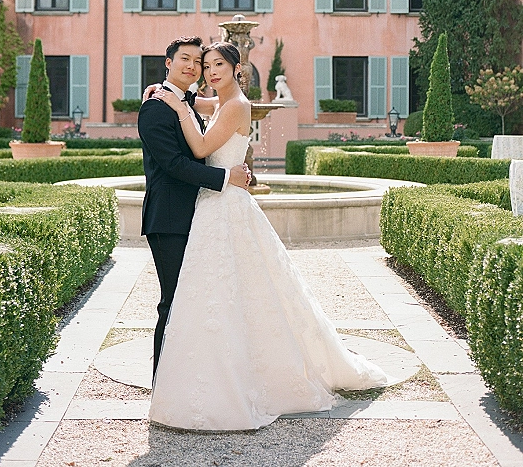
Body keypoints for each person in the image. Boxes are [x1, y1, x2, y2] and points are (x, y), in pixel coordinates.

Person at [147, 42, 390, 432]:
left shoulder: (239, 106)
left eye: (217, 66)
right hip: (212, 205)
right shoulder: (219, 104)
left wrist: (177, 106)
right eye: (204, 66)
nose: (209, 72)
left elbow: (200, 146)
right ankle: (196, 373)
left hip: (224, 204)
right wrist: (171, 96)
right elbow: (199, 107)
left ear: (236, 68)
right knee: (219, 294)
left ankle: (241, 375)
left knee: (228, 292)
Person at [137, 36, 251, 376]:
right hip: (168, 218)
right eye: (185, 59)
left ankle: (196, 375)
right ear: (168, 62)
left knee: (200, 299)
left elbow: (206, 113)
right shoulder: (156, 107)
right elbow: (173, 164)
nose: (194, 66)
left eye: (198, 61)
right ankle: (164, 382)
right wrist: (225, 176)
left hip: (200, 215)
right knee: (172, 302)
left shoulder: (191, 102)